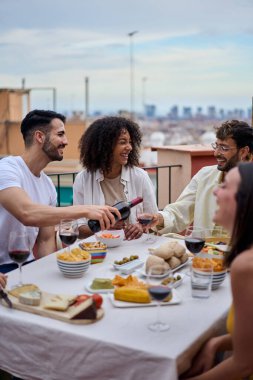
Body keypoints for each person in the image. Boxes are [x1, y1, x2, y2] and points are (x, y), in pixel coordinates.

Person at [0, 110, 120, 273]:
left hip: (27, 264)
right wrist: (86, 210)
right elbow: (26, 213)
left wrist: (48, 274)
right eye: (61, 134)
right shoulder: (6, 168)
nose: (66, 141)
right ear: (40, 137)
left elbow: (46, 240)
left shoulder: (48, 185)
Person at [181, 162, 253, 379]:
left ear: (245, 201)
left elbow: (243, 365)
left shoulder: (245, 265)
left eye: (225, 187)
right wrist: (218, 341)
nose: (215, 190)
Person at [153, 120, 253, 235]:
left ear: (244, 151)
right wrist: (159, 218)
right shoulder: (204, 175)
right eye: (216, 146)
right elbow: (181, 211)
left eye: (224, 148)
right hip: (201, 251)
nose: (216, 153)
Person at [73, 116, 158, 240]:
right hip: (98, 249)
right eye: (123, 142)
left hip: (133, 248)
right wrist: (104, 228)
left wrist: (141, 227)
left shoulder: (140, 177)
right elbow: (78, 229)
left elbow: (154, 219)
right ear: (105, 146)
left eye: (130, 142)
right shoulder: (83, 179)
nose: (129, 147)